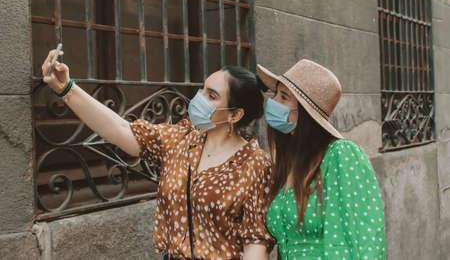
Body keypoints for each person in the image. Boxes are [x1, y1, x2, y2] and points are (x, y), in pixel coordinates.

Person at [41, 49, 274, 260]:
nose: (199, 98)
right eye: (202, 89)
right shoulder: (179, 139)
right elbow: (121, 129)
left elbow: (255, 242)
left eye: (212, 96)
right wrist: (67, 89)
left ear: (234, 115)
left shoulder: (255, 165)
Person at [258, 59, 386, 259]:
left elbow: (366, 240)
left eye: (284, 97)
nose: (273, 102)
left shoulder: (342, 155)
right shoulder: (287, 162)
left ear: (306, 112)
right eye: (275, 94)